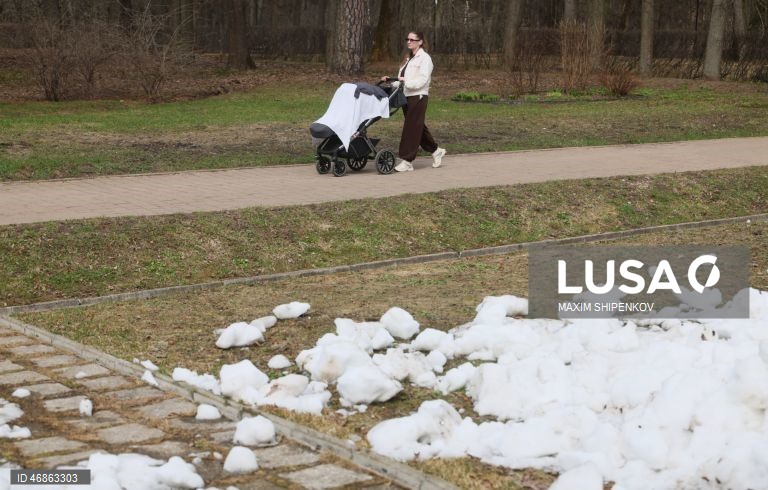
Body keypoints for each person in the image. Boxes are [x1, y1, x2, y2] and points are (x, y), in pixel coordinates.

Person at [381, 31, 446, 172]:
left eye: (412, 39)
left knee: (411, 128)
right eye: (407, 39)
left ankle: (407, 160)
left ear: (420, 42)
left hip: (418, 96)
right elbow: (401, 79)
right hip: (406, 95)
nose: (409, 42)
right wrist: (391, 81)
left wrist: (406, 82)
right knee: (418, 127)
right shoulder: (407, 59)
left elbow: (422, 80)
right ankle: (436, 151)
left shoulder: (425, 59)